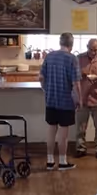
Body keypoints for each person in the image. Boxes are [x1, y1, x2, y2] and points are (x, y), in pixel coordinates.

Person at [39, 32, 81, 171]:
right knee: (63, 133)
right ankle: (62, 162)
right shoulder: (72, 59)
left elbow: (41, 78)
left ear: (60, 42)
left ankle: (50, 161)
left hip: (50, 100)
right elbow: (75, 84)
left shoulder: (49, 56)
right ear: (71, 44)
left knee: (51, 130)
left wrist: (46, 90)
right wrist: (78, 99)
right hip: (66, 101)